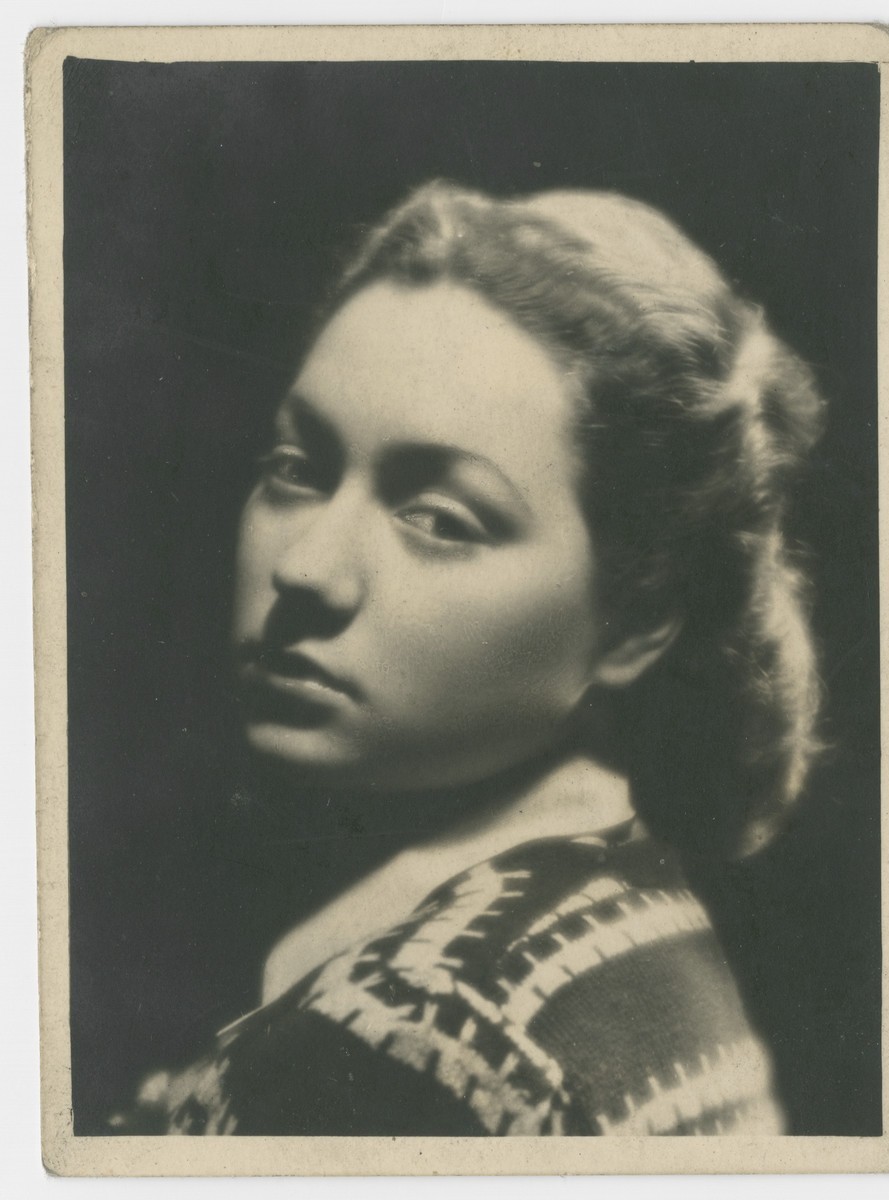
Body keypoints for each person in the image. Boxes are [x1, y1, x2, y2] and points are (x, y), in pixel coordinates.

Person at [111, 181, 824, 1137]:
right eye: (297, 469)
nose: (306, 568)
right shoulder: (621, 911)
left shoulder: (414, 1034)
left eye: (440, 520)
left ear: (636, 619)